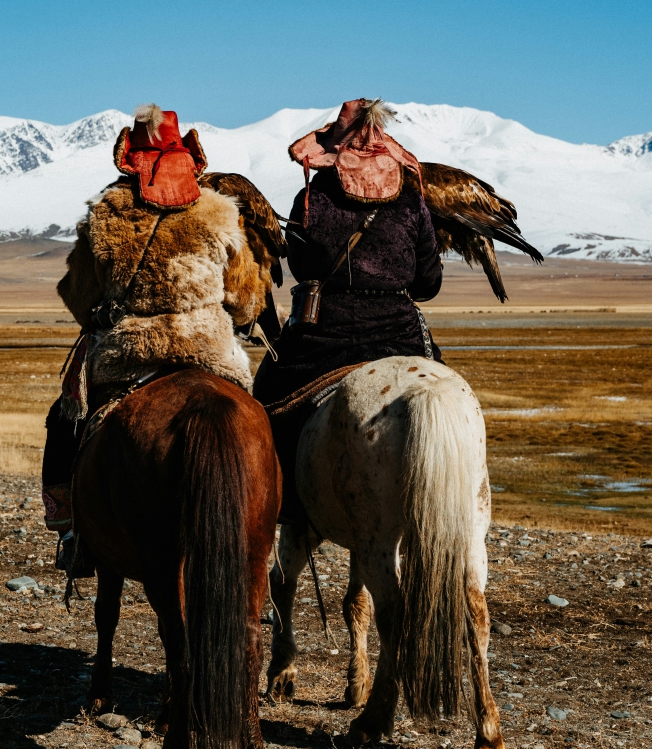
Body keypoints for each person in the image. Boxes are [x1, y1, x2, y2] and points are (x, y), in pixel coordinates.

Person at [42, 104, 271, 571]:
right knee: (258, 427)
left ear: (128, 156)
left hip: (127, 353)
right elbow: (247, 300)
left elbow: (78, 297)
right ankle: (265, 544)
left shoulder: (106, 213)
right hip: (211, 351)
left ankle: (74, 532)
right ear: (190, 157)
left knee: (64, 423)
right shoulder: (220, 213)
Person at [252, 98, 443, 519]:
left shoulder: (311, 198)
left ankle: (282, 507)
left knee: (265, 397)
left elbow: (301, 268)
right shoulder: (413, 203)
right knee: (446, 394)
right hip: (401, 335)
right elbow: (428, 284)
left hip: (324, 334)